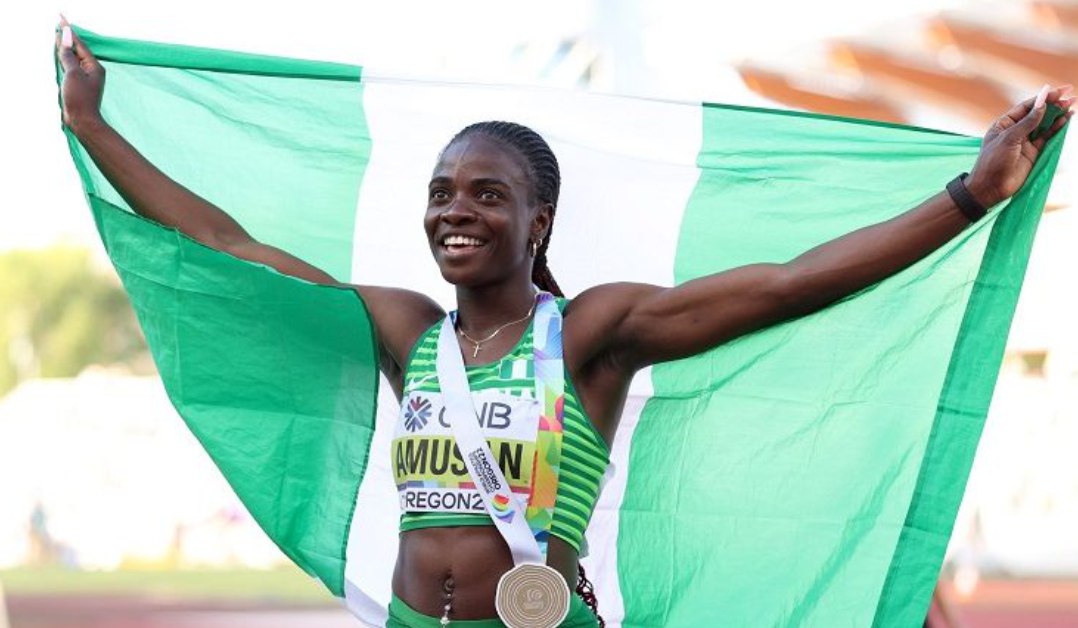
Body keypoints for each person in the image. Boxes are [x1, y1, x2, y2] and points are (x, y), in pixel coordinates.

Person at [56, 19, 1072, 628]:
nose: (455, 211)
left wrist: (967, 197)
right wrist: (94, 127)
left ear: (538, 221)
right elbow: (228, 243)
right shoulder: (405, 330)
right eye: (441, 193)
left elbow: (784, 285)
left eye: (486, 195)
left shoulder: (592, 332)